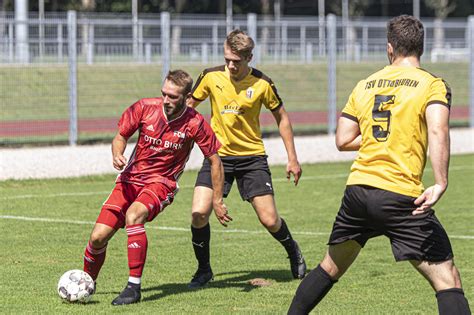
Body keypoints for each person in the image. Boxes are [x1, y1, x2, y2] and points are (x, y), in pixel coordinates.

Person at [288, 15, 471, 315]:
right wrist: (441, 182)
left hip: (358, 192)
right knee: (447, 279)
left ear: (390, 48)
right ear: (420, 48)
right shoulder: (432, 85)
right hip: (400, 197)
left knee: (329, 267)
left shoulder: (365, 84)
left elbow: (343, 139)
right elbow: (438, 130)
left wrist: (382, 140)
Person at [82, 70, 231, 306]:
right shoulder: (143, 108)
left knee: (134, 216)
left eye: (173, 96)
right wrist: (117, 153)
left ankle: (133, 287)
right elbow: (120, 136)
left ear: (186, 96)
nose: (166, 100)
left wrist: (217, 199)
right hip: (129, 180)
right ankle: (85, 282)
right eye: (164, 94)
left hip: (161, 183)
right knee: (98, 237)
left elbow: (215, 160)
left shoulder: (195, 122)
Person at [186, 29, 306, 289]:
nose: (231, 65)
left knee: (270, 220)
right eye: (227, 58)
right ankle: (204, 270)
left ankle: (293, 250)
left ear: (249, 57)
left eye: (237, 61)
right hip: (217, 157)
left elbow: (282, 118)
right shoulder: (210, 76)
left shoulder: (263, 83)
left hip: (252, 159)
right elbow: (187, 109)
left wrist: (292, 158)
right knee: (198, 214)